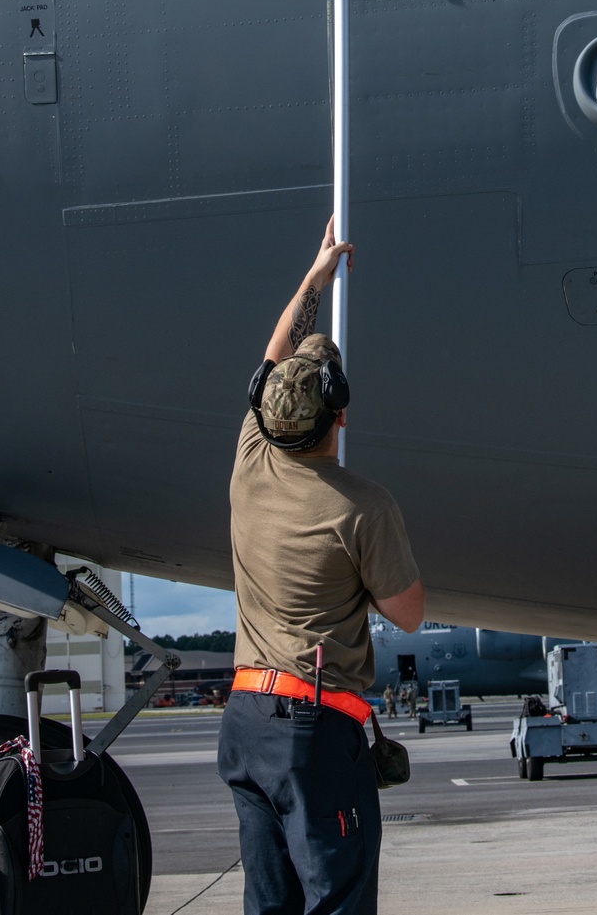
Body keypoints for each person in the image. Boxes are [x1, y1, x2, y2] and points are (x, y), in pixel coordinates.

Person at [218, 218, 425, 915]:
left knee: (268, 904)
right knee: (335, 899)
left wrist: (315, 272)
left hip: (246, 719)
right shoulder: (362, 507)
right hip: (313, 731)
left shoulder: (251, 458)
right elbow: (410, 610)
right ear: (338, 417)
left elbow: (272, 355)